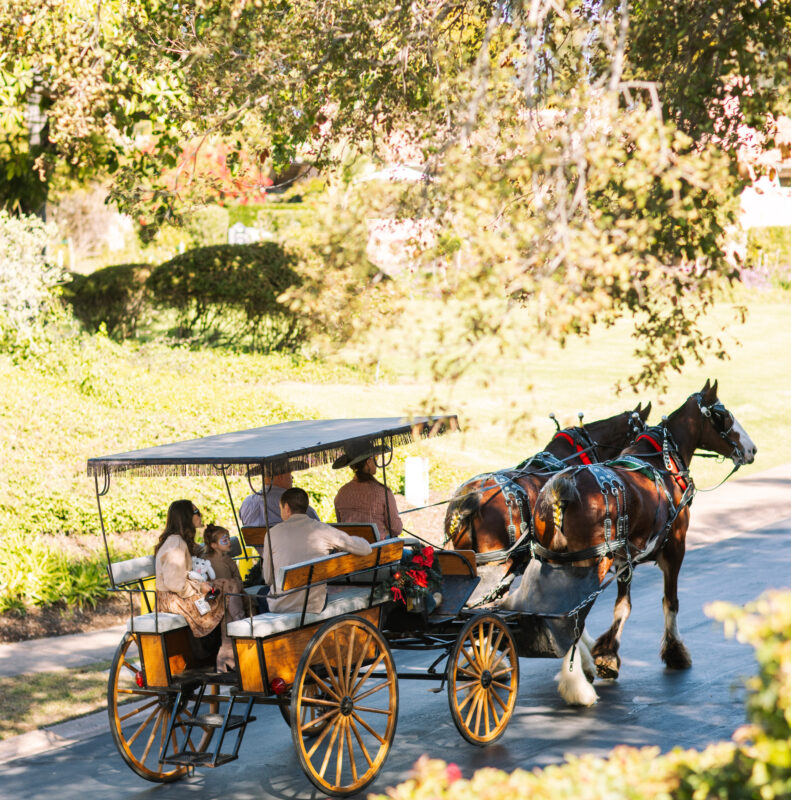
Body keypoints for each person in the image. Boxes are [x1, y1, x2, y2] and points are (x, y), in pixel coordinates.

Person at [154, 500, 237, 672]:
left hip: (181, 594)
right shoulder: (175, 544)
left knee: (223, 586)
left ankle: (226, 647)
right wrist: (201, 588)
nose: (200, 514)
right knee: (227, 590)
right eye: (196, 511)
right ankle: (226, 649)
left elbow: (199, 556)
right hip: (175, 600)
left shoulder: (183, 541)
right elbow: (175, 583)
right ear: (186, 517)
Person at [263, 487, 372, 613]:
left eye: (280, 508)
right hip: (313, 604)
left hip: (280, 605)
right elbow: (365, 548)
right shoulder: (322, 530)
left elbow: (268, 579)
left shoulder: (272, 533)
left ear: (286, 508)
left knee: (260, 595)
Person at [333, 443, 403, 539]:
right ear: (369, 461)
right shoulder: (383, 492)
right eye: (376, 457)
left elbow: (341, 524)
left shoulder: (341, 493)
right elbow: (396, 528)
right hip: (377, 551)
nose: (377, 460)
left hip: (351, 551)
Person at [239, 467, 320, 536]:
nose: (292, 478)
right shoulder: (293, 500)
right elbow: (316, 524)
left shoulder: (247, 502)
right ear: (280, 476)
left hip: (264, 553)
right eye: (290, 475)